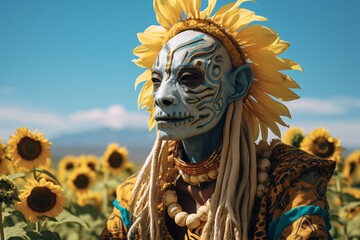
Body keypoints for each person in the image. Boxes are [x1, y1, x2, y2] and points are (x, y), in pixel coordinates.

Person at [101, 0, 336, 239]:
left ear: (238, 84)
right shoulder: (137, 196)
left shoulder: (288, 180)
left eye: (189, 77)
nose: (162, 96)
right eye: (157, 80)